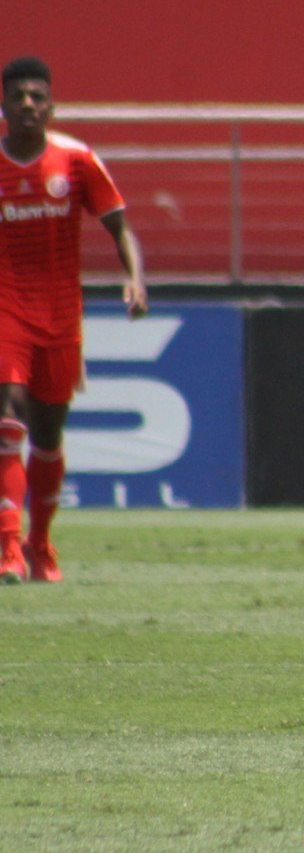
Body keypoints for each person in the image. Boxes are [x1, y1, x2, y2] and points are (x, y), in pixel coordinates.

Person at [0, 56, 148, 583]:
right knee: (7, 414)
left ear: (52, 105)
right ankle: (7, 547)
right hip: (5, 311)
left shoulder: (77, 161)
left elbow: (121, 226)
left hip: (61, 317)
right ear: (3, 105)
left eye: (37, 97)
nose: (27, 106)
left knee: (47, 433)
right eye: (17, 97)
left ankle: (40, 543)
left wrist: (135, 278)